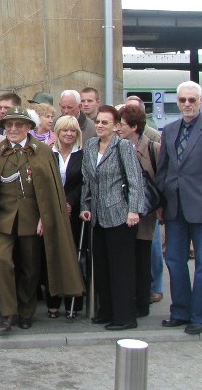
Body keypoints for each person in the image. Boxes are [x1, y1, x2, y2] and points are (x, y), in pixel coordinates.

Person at [0, 107, 83, 334]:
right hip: (3, 221)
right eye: (9, 125)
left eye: (19, 125)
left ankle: (26, 312)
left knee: (30, 268)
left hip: (32, 220)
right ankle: (8, 313)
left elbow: (51, 191)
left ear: (29, 128)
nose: (13, 129)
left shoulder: (43, 152)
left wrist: (46, 216)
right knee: (1, 261)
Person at [156, 80, 202, 336]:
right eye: (182, 100)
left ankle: (200, 316)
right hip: (175, 208)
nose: (187, 104)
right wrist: (161, 204)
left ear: (201, 101)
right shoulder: (170, 130)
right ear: (177, 102)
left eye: (192, 100)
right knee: (175, 261)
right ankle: (180, 312)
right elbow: (163, 170)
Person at [80, 105, 143, 331]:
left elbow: (135, 180)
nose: (99, 125)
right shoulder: (89, 146)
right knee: (102, 267)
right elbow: (87, 180)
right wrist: (84, 205)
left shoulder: (123, 146)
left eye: (105, 122)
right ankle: (105, 310)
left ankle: (125, 316)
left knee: (121, 268)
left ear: (116, 126)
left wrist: (134, 210)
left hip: (120, 215)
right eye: (97, 121)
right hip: (97, 215)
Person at [117, 103, 160, 318]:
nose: (118, 128)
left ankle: (142, 303)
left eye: (122, 124)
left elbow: (160, 179)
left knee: (142, 258)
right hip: (121, 212)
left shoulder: (152, 148)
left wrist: (160, 208)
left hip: (145, 213)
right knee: (127, 259)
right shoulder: (117, 146)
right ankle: (129, 300)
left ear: (134, 127)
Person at [47, 115, 84, 318]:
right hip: (52, 211)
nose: (69, 134)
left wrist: (69, 201)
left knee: (74, 259)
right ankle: (53, 303)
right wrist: (58, 203)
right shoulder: (48, 154)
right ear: (57, 132)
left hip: (74, 212)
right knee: (52, 257)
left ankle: (74, 303)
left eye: (73, 131)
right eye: (65, 130)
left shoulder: (82, 154)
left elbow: (83, 182)